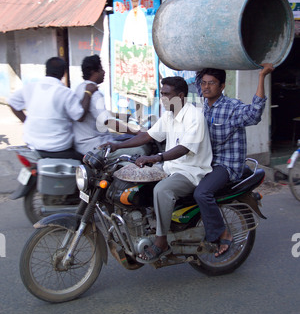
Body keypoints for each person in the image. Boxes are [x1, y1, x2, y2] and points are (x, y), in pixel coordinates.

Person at [101, 76, 213, 263]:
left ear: (180, 95)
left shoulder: (195, 116)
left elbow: (184, 148)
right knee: (133, 181)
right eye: (162, 94)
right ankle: (143, 225)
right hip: (170, 167)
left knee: (162, 190)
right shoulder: (169, 115)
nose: (163, 99)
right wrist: (117, 146)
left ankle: (161, 242)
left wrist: (156, 158)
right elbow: (148, 136)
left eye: (167, 95)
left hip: (191, 171)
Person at [193, 63, 274, 257]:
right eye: (203, 83)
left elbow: (254, 114)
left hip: (226, 165)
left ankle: (223, 233)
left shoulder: (232, 107)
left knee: (202, 193)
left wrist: (262, 76)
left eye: (211, 83)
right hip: (206, 162)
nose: (206, 87)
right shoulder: (203, 106)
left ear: (222, 86)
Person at [8, 57, 98, 160]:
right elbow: (79, 116)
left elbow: (12, 102)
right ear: (63, 73)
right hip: (58, 146)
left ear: (46, 70)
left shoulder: (31, 87)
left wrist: (26, 121)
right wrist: (88, 93)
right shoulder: (65, 92)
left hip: (32, 143)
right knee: (86, 160)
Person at [73, 54, 149, 158]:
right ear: (93, 72)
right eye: (101, 69)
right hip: (94, 146)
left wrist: (122, 117)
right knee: (143, 149)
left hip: (83, 144)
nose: (104, 72)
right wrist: (138, 132)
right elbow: (109, 122)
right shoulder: (95, 94)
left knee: (124, 138)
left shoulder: (79, 88)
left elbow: (100, 114)